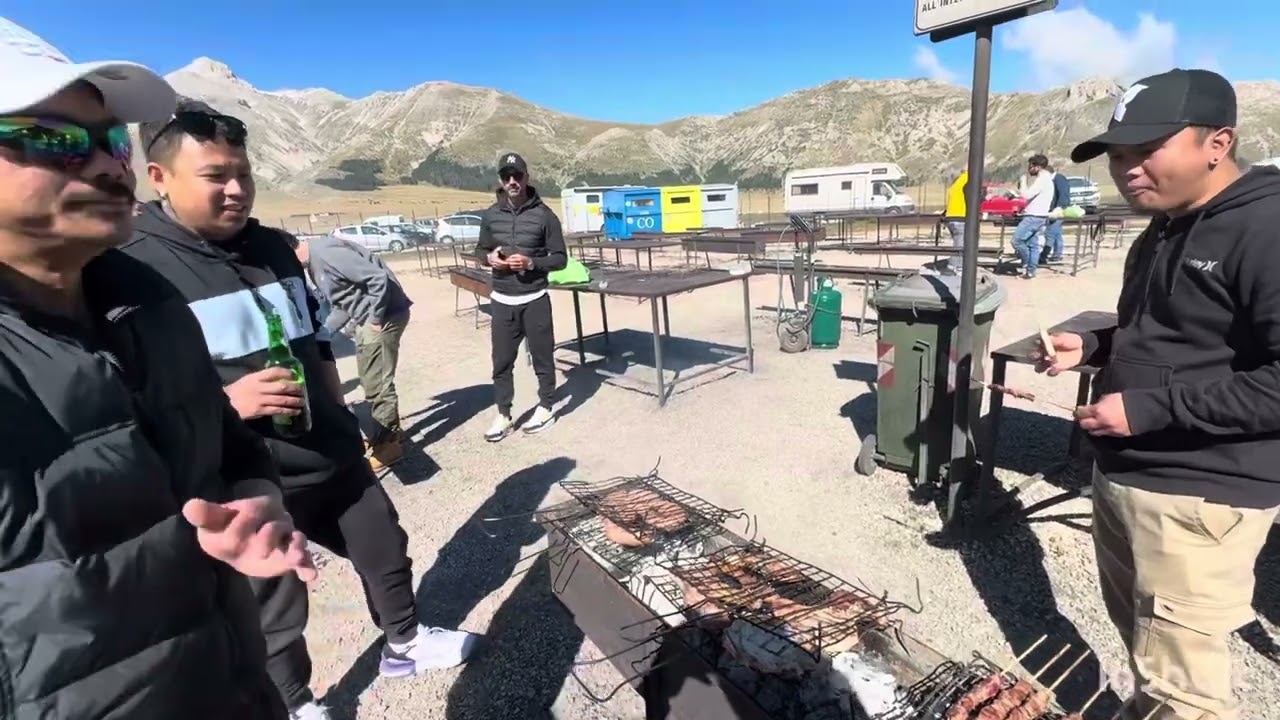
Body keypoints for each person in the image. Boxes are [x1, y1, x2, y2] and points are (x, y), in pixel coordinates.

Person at [0, 19, 315, 719]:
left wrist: (254, 492)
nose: (112, 165)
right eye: (55, 138)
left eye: (112, 140)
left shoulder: (147, 302)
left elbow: (227, 445)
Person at [126, 99, 474, 720]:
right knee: (274, 603)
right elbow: (124, 398)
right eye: (215, 178)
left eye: (245, 173)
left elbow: (317, 347)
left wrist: (344, 420)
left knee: (385, 546)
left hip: (330, 453)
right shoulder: (131, 267)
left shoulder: (275, 248)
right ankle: (296, 704)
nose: (237, 191)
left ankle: (406, 643)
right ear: (159, 178)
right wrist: (224, 402)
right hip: (244, 475)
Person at [1041, 68, 1280, 720]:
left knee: (1186, 692)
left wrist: (1149, 408)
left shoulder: (1266, 227)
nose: (1127, 170)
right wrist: (1093, 349)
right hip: (1127, 476)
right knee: (1148, 647)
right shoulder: (1166, 226)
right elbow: (1168, 334)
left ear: (1217, 142)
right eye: (1117, 155)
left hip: (1199, 497)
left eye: (1147, 150)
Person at [291, 230, 413, 471]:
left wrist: (376, 319)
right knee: (372, 380)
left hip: (383, 316)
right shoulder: (315, 262)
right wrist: (322, 333)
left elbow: (378, 278)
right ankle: (388, 432)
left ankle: (389, 445)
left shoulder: (325, 253)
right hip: (370, 317)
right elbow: (345, 303)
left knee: (376, 382)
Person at [475, 152, 567, 441]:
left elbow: (560, 259)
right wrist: (489, 259)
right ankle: (503, 414)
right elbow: (480, 251)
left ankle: (547, 406)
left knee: (542, 357)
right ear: (500, 181)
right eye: (507, 176)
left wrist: (531, 264)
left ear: (527, 177)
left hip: (535, 298)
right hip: (502, 301)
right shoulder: (490, 215)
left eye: (518, 176)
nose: (512, 181)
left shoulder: (545, 216)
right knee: (501, 362)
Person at [1012, 153, 1053, 278]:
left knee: (1016, 241)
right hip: (1040, 216)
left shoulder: (1042, 180)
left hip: (1033, 216)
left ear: (1037, 167)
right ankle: (1030, 271)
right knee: (1032, 244)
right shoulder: (1047, 180)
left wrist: (1023, 181)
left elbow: (1026, 195)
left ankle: (1026, 262)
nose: (1029, 169)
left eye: (1031, 166)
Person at [1043, 163, 1071, 264]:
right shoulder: (1052, 180)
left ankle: (1044, 255)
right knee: (1057, 233)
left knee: (1050, 232)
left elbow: (1064, 194)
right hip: (1054, 209)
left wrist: (1059, 208)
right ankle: (1057, 254)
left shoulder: (1059, 179)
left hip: (1058, 210)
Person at [943, 168, 969, 275]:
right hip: (960, 217)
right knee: (961, 244)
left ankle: (953, 264)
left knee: (957, 242)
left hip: (950, 218)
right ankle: (957, 267)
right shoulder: (965, 179)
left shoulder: (953, 186)